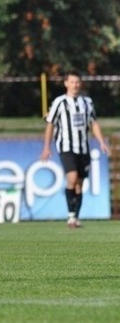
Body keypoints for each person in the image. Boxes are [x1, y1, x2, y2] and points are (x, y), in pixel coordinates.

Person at [40, 70, 110, 228]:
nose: (75, 85)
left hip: (83, 147)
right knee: (71, 178)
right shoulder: (59, 102)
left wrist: (101, 142)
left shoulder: (87, 102)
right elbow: (50, 124)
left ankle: (75, 217)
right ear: (66, 83)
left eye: (77, 82)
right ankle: (70, 216)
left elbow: (93, 123)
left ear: (80, 84)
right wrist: (46, 147)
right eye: (72, 82)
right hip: (66, 146)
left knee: (79, 183)